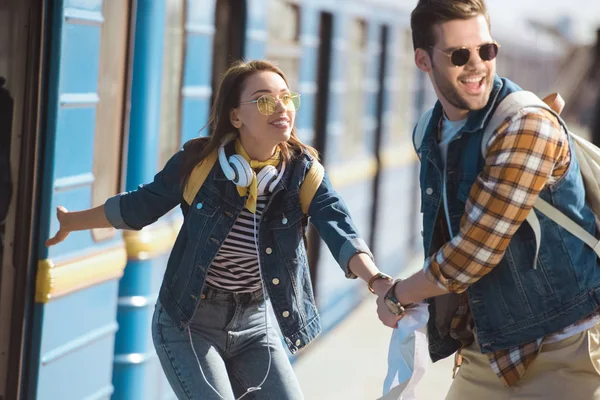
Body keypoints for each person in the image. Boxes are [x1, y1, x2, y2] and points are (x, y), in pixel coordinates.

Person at [46, 60, 395, 400]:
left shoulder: (304, 174)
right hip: (189, 323)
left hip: (255, 324)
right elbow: (140, 206)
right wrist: (72, 222)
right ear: (235, 116)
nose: (281, 107)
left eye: (286, 97)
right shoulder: (200, 164)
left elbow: (340, 231)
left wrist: (377, 282)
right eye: (264, 100)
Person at [375, 1, 600, 398]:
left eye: (486, 50)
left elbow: (473, 254)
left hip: (567, 348)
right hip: (492, 351)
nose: (477, 64)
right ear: (423, 61)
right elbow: (444, 236)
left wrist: (398, 295)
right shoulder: (429, 131)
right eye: (459, 55)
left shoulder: (527, 125)